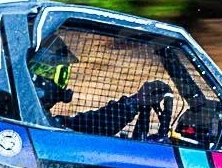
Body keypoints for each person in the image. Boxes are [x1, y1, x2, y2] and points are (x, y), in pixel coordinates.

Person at [29, 32, 172, 139]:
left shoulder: (41, 121)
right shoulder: (37, 127)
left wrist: (134, 102)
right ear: (39, 77)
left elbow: (91, 124)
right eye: (62, 75)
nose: (64, 85)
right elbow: (96, 126)